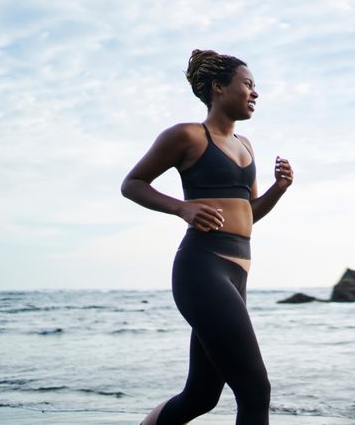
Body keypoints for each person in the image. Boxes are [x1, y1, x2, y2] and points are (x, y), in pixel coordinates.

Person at [121, 50, 293, 425]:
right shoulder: (187, 135)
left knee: (201, 395)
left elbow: (249, 215)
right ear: (218, 88)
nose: (255, 93)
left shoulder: (246, 146)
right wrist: (182, 208)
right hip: (202, 269)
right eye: (248, 84)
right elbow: (132, 184)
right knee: (254, 389)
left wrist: (278, 189)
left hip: (237, 274)